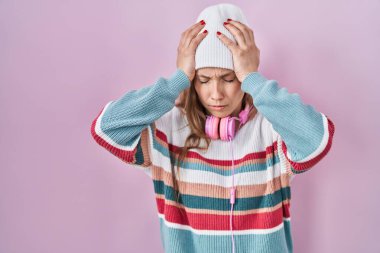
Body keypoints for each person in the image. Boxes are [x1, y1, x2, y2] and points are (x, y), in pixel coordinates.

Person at [90, 3, 335, 253]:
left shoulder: (272, 129)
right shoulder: (168, 132)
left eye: (229, 79)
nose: (215, 94)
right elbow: (106, 128)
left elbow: (317, 139)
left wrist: (254, 78)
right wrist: (178, 79)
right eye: (203, 80)